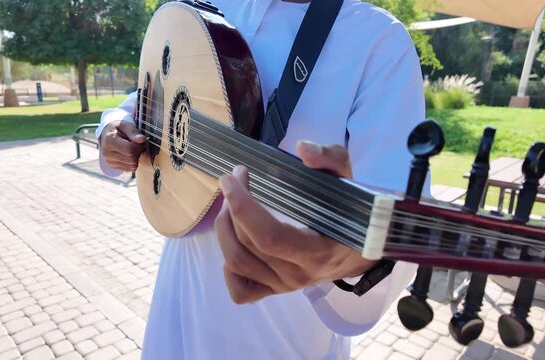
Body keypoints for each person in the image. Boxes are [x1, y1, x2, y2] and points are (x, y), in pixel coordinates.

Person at [96, 0, 425, 358]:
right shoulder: (212, 6)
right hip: (177, 301)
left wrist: (354, 261)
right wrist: (113, 124)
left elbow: (399, 220)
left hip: (280, 329)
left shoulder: (379, 41)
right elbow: (147, 96)